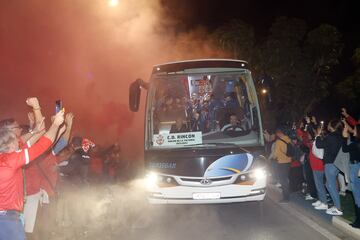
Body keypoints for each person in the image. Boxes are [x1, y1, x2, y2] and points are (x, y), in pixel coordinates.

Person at [0, 110, 64, 240]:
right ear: (9, 145)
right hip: (7, 220)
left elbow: (26, 141)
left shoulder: (5, 157)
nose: (19, 142)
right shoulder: (11, 160)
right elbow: (43, 145)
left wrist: (34, 131)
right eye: (16, 141)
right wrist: (56, 124)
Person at [315, 119, 344, 216]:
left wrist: (318, 135)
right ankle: (336, 205)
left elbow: (319, 145)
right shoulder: (340, 136)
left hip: (330, 163)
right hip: (337, 163)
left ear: (332, 126)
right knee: (328, 184)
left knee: (331, 185)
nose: (327, 125)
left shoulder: (331, 136)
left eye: (329, 124)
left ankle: (338, 208)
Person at [342, 122, 360, 228]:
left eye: (355, 130)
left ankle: (358, 221)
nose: (354, 131)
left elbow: (344, 149)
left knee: (357, 195)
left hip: (355, 168)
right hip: (357, 168)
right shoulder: (356, 143)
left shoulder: (356, 144)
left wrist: (344, 138)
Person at [273, 126, 292, 203]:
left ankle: (286, 197)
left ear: (279, 133)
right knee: (286, 179)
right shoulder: (288, 139)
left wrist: (272, 158)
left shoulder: (279, 142)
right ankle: (287, 194)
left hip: (281, 162)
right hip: (288, 161)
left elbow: (276, 154)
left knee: (283, 180)